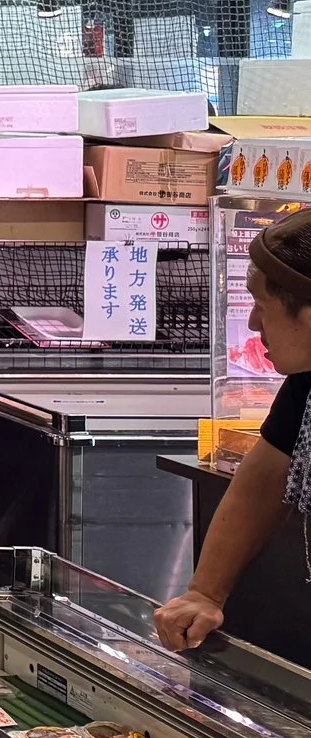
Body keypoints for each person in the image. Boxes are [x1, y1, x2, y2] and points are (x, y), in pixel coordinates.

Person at [158, 206, 311, 649]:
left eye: (262, 306)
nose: (252, 324)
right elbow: (266, 473)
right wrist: (205, 591)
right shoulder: (306, 383)